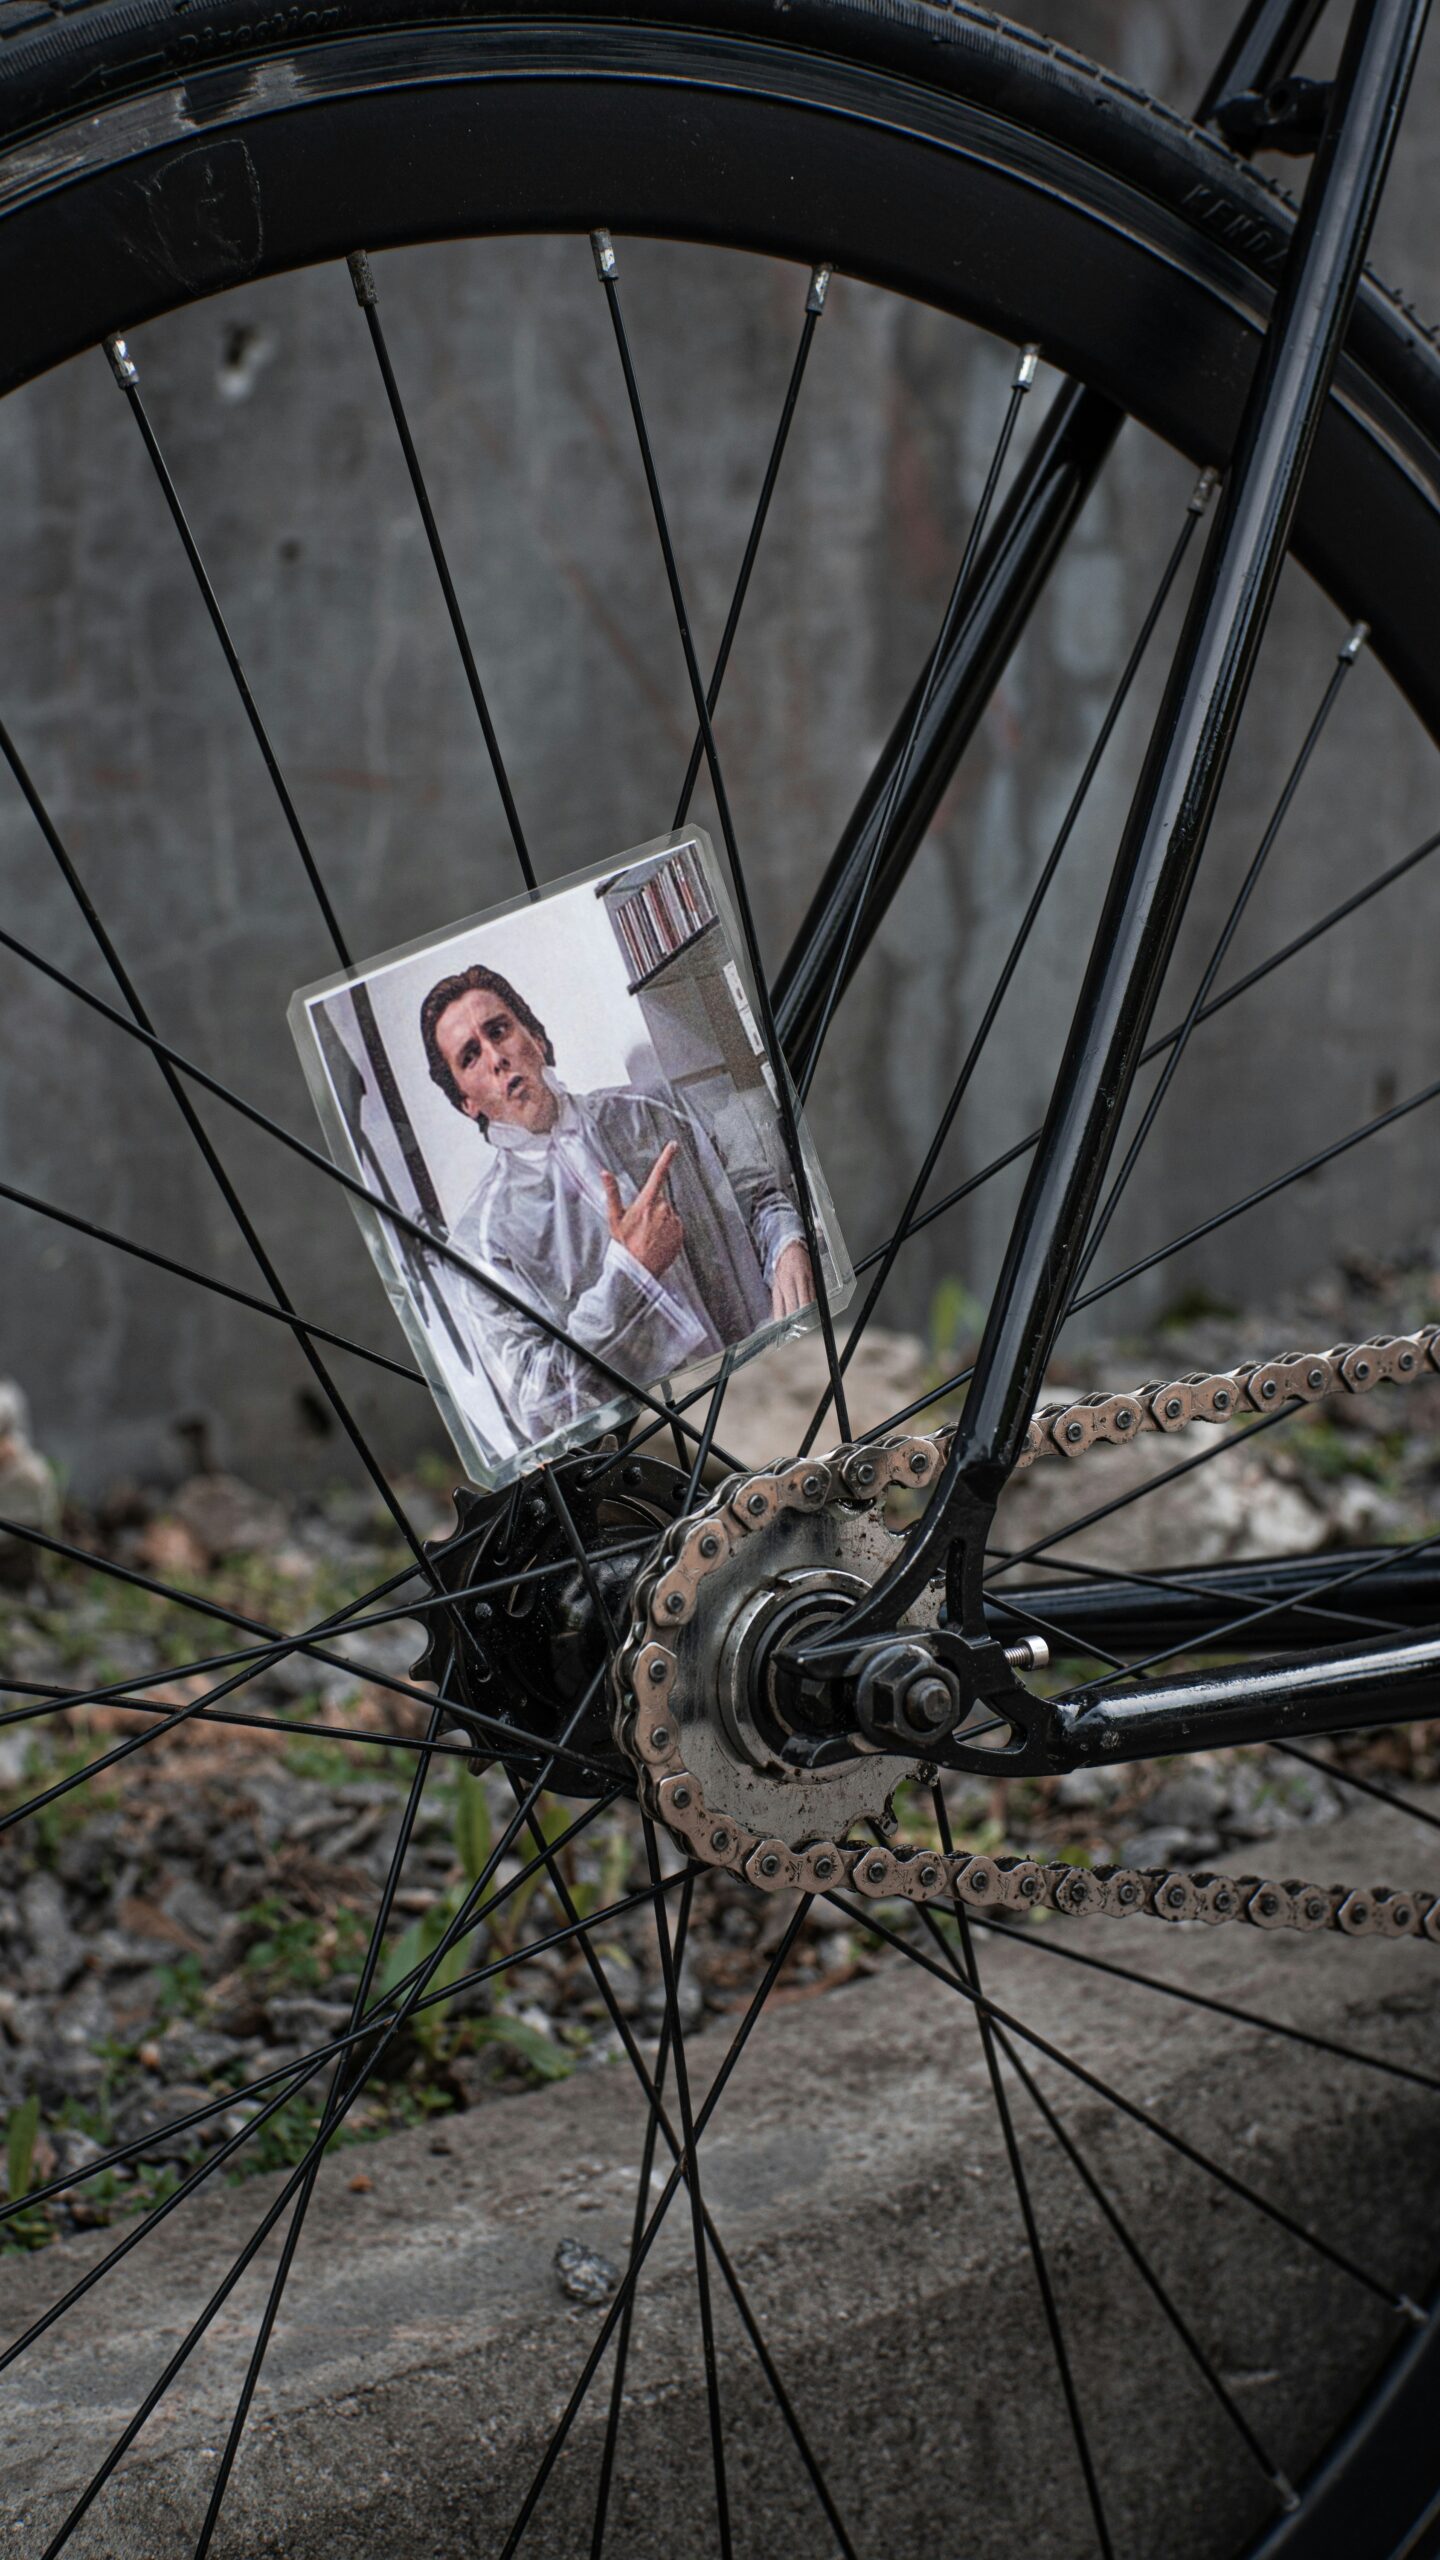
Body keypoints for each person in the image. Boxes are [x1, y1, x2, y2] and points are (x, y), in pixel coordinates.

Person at [419, 962, 815, 1447]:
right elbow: (539, 1405)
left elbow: (757, 1197)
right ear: (467, 1103)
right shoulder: (481, 1244)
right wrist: (630, 1275)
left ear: (536, 1038)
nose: (496, 1057)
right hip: (659, 1462)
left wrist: (788, 1244)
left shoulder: (651, 1111)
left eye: (499, 1030)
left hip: (774, 1394)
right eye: (470, 1057)